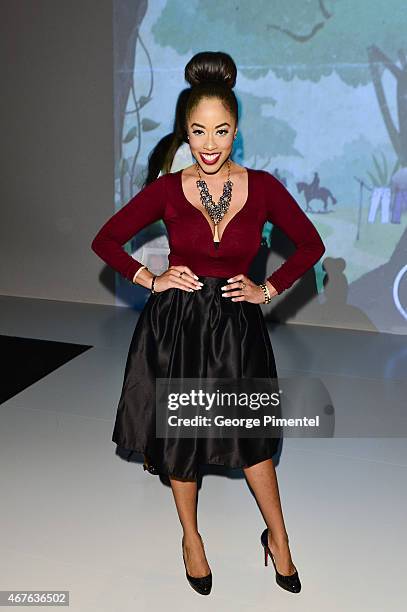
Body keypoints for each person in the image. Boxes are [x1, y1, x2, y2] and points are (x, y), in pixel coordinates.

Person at [91, 51, 325, 596]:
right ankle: (191, 540)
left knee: (255, 443)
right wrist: (151, 280)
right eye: (198, 132)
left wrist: (268, 288)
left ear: (236, 130)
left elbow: (311, 245)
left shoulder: (263, 186)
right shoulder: (170, 190)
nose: (210, 143)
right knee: (183, 440)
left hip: (238, 331)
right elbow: (105, 239)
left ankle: (279, 538)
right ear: (186, 134)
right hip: (178, 328)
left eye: (221, 130)